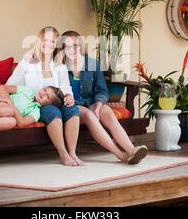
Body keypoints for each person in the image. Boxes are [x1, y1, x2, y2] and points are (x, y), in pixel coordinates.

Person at [60, 31, 148, 165]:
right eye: (68, 46)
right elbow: (58, 92)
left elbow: (101, 89)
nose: (72, 49)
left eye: (75, 45)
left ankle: (132, 150)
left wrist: (98, 105)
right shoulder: (59, 68)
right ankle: (120, 155)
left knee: (108, 113)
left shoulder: (91, 64)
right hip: (73, 104)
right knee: (90, 116)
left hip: (91, 102)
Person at [7, 27, 83, 167]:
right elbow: (10, 84)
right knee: (53, 112)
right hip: (37, 103)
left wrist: (68, 96)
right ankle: (63, 155)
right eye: (45, 39)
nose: (48, 43)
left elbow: (66, 87)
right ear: (39, 41)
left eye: (52, 41)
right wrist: (24, 65)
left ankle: (72, 153)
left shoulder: (59, 66)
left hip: (57, 102)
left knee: (73, 110)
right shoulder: (28, 62)